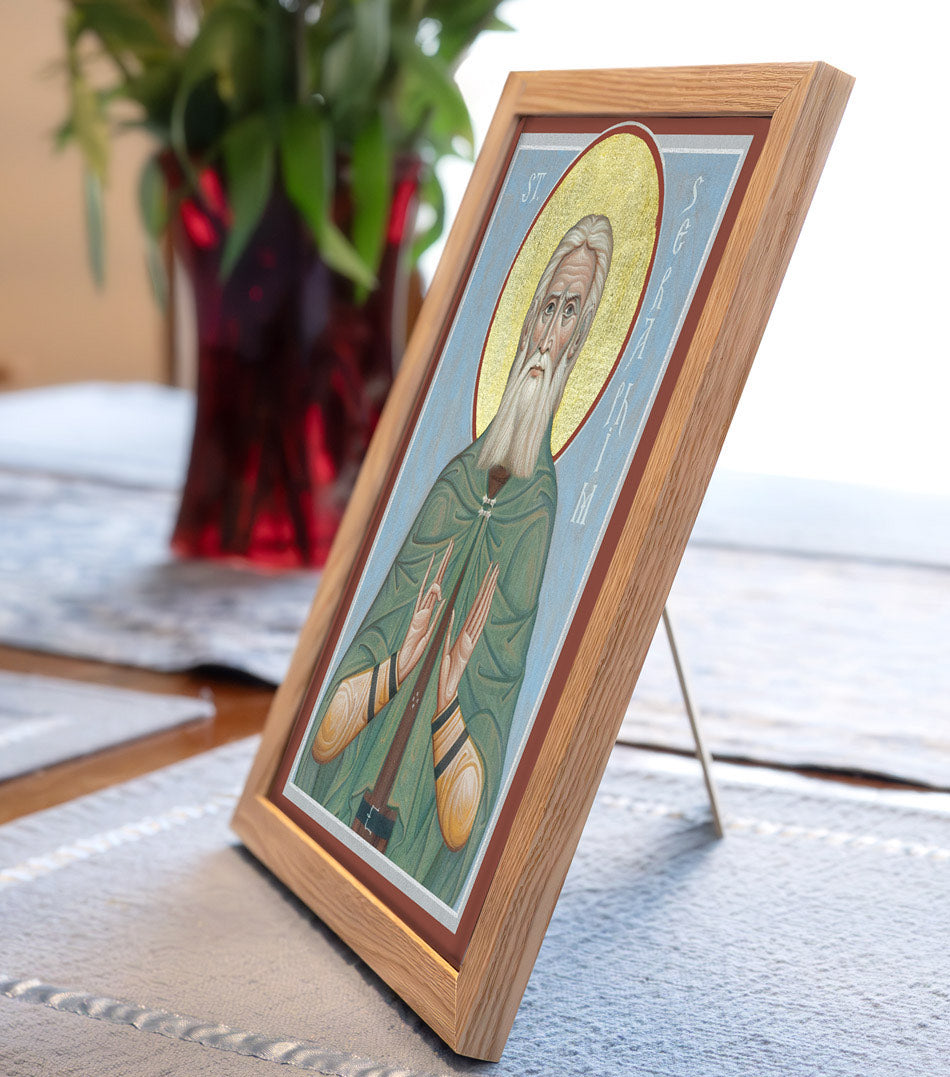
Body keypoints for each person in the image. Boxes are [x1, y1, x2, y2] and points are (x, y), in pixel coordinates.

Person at [294, 214, 614, 906]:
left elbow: (463, 821)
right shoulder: (450, 486)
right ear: (527, 321)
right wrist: (397, 669)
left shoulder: (534, 519)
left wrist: (445, 703)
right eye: (545, 308)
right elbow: (321, 741)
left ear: (579, 343)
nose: (546, 333)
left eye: (569, 315)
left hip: (411, 850)